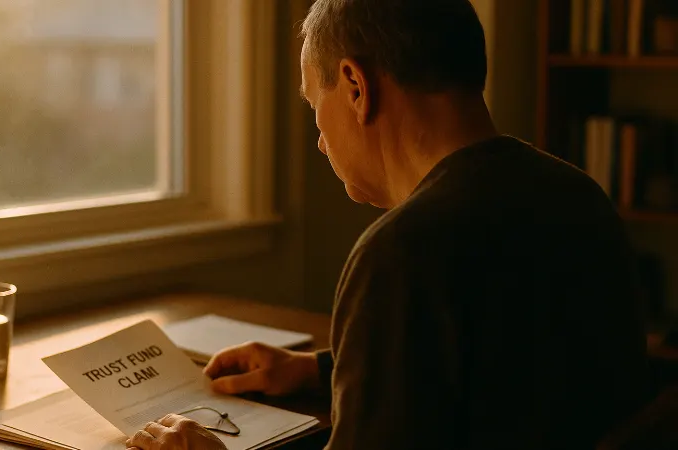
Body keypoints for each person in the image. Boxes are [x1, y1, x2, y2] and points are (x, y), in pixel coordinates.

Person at [125, 0, 651, 449]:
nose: (321, 141)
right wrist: (319, 368)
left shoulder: (403, 252)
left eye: (315, 106)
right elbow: (510, 367)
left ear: (356, 86)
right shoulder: (577, 196)